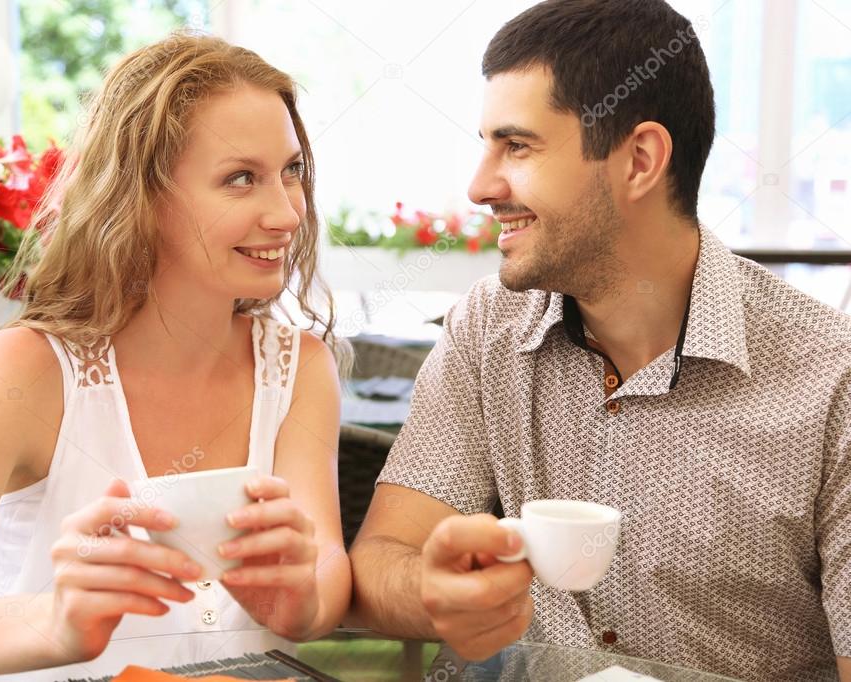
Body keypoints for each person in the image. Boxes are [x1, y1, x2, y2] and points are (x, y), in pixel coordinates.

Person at [348, 2, 851, 681]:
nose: (479, 186)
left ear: (639, 160)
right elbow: (382, 561)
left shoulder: (832, 378)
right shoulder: (487, 327)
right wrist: (432, 593)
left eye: (516, 146)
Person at [0, 33, 351, 681]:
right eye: (240, 179)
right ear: (141, 197)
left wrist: (298, 597)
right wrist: (53, 622)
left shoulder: (300, 368)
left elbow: (323, 580)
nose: (287, 211)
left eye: (291, 171)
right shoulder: (25, 371)